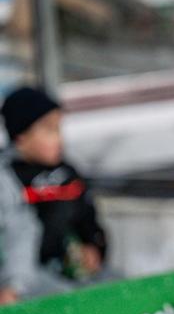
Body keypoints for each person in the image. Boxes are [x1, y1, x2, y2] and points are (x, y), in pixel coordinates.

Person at [1, 86, 106, 281]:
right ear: (20, 137)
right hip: (22, 279)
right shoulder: (8, 177)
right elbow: (17, 232)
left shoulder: (66, 172)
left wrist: (93, 246)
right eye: (49, 130)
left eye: (59, 129)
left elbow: (87, 214)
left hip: (69, 272)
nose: (59, 139)